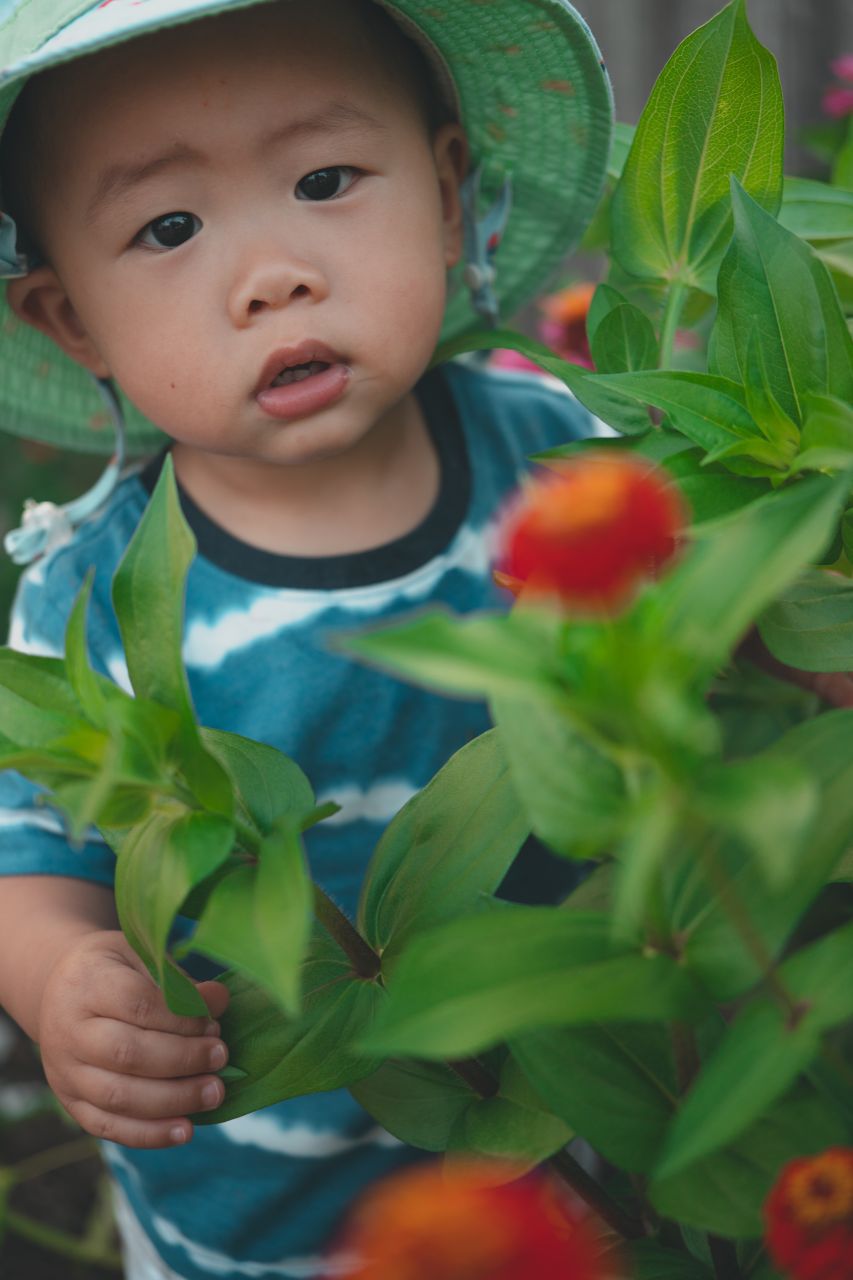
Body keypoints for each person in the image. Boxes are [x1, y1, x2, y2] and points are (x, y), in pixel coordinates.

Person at [0, 0, 613, 1275]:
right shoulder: (89, 602)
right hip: (260, 1214)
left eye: (325, 179)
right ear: (72, 322)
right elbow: (24, 852)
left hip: (586, 1145)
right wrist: (62, 982)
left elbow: (706, 650)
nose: (274, 272)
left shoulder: (557, 459)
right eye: (168, 227)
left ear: (448, 195)